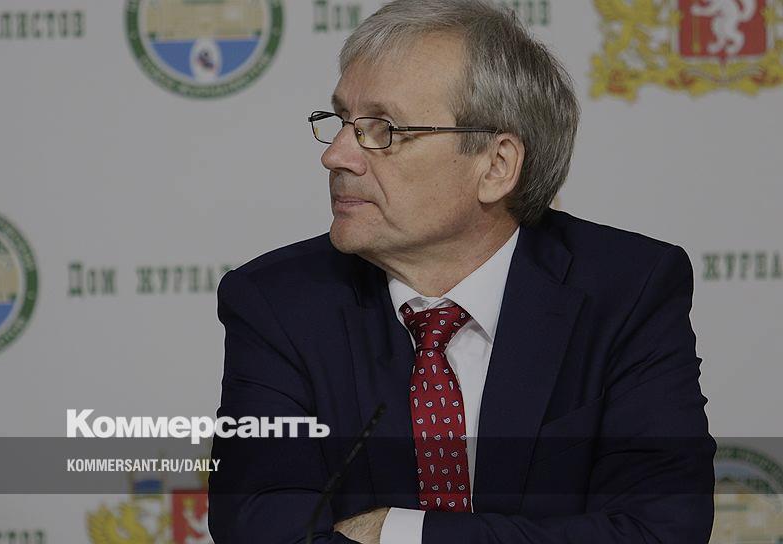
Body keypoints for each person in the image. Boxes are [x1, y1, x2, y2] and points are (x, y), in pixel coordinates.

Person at [208, 1, 716, 542]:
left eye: (382, 129)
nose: (335, 156)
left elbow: (660, 529)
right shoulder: (276, 302)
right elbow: (261, 526)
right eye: (341, 122)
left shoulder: (628, 289)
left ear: (496, 166)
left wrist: (400, 534)